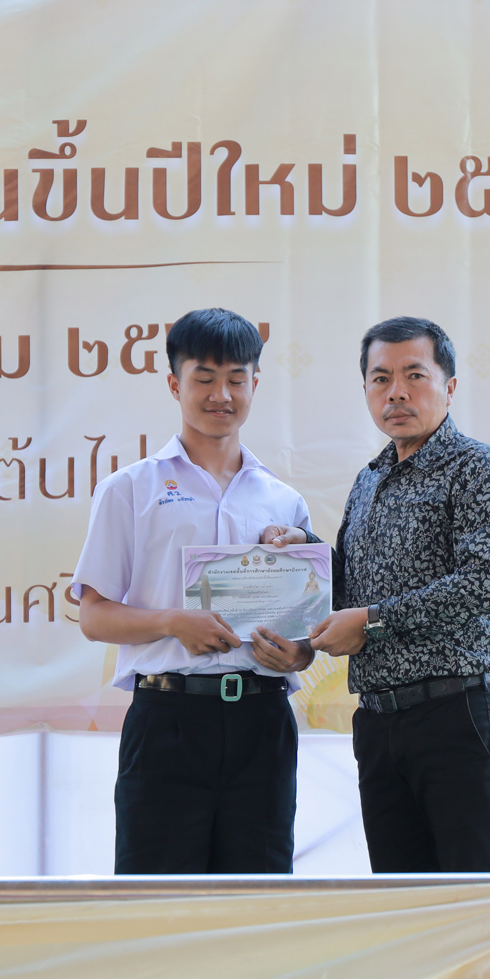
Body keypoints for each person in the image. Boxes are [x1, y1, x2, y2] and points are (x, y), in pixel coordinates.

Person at [302, 316, 490, 979]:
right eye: (379, 378)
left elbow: (484, 581)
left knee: (486, 909)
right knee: (414, 914)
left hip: (458, 713)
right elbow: (340, 589)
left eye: (413, 375)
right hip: (382, 724)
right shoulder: (369, 481)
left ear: (449, 385)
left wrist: (371, 621)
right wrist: (288, 563)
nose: (395, 392)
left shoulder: (479, 469)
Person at [70, 308, 316, 873]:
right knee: (158, 901)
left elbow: (304, 631)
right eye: (204, 378)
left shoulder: (284, 502)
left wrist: (298, 654)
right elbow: (94, 617)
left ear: (255, 384)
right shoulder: (130, 489)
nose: (220, 394)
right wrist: (172, 622)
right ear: (173, 383)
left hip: (263, 720)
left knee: (258, 900)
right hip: (168, 719)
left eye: (236, 379)